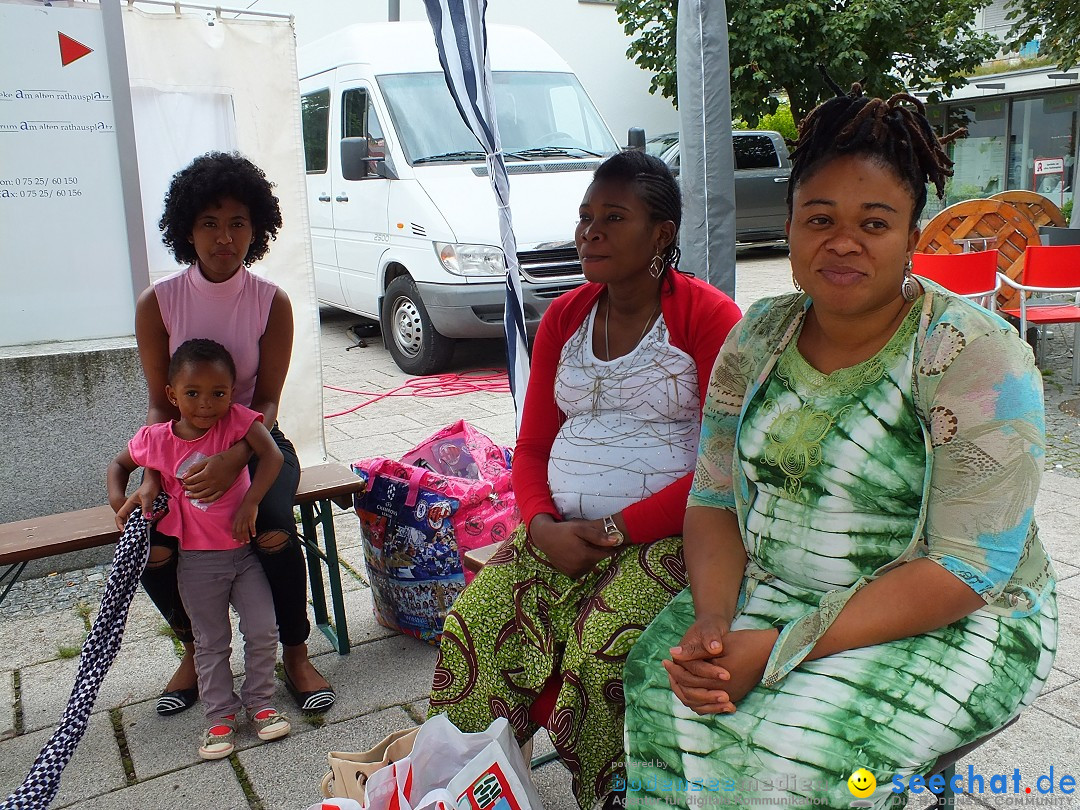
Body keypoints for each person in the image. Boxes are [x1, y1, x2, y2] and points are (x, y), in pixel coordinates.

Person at [622, 85, 1058, 810]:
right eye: (819, 219)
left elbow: (966, 568)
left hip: (953, 615)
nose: (843, 242)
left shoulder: (975, 356)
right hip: (777, 591)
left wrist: (782, 650)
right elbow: (714, 499)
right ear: (788, 229)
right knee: (662, 691)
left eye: (875, 222)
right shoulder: (757, 336)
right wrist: (712, 624)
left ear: (912, 237)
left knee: (801, 758)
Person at [428, 150, 742, 809]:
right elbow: (534, 445)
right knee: (472, 620)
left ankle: (611, 797)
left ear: (661, 234)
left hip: (669, 538)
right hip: (560, 532)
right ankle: (474, 786)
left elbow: (725, 465)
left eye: (613, 217)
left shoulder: (708, 319)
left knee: (603, 655)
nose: (589, 231)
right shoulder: (565, 318)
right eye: (585, 217)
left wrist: (613, 528)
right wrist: (541, 525)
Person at [119, 152, 334, 715]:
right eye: (210, 223)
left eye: (238, 222)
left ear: (256, 229)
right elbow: (155, 404)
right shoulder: (157, 304)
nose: (224, 236)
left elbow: (266, 403)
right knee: (152, 544)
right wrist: (151, 476)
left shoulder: (271, 303)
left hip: (256, 445)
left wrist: (233, 460)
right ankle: (194, 649)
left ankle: (294, 649)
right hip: (181, 452)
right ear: (187, 229)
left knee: (274, 527)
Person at [109, 339, 292, 758]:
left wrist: (250, 502)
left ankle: (261, 704)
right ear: (172, 395)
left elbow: (273, 458)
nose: (206, 404)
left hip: (245, 555)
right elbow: (119, 465)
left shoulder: (239, 423)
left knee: (263, 629)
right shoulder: (157, 439)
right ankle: (219, 716)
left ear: (232, 393)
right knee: (210, 641)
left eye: (218, 393)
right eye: (192, 393)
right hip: (196, 563)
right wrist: (120, 503)